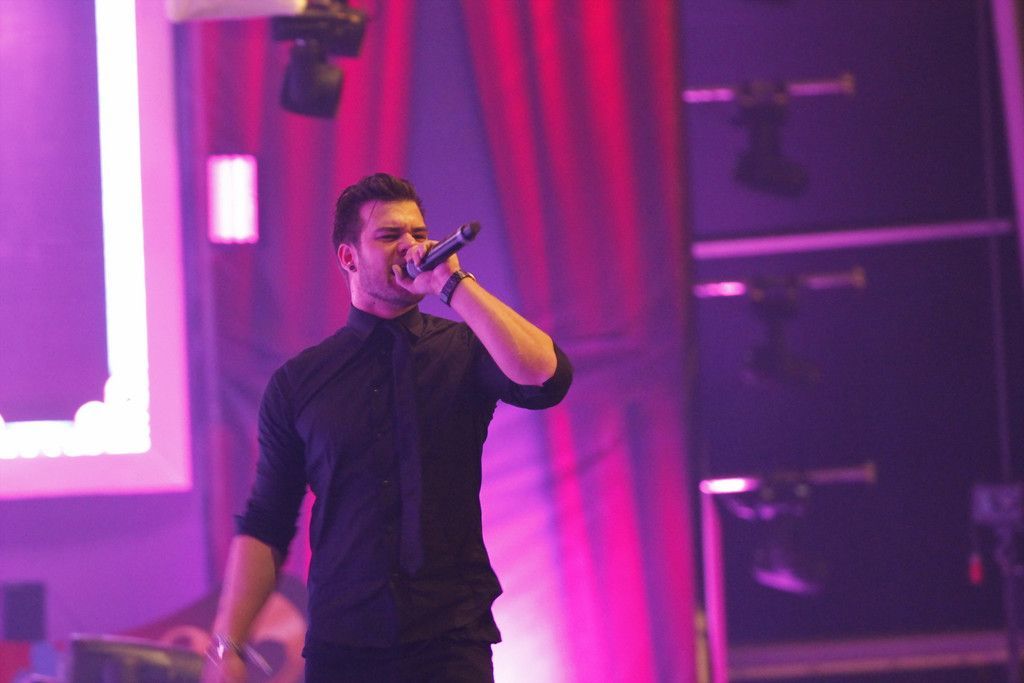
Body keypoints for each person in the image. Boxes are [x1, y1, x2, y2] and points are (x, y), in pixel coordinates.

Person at [204, 173, 573, 682]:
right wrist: (228, 645)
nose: (410, 246)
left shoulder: (462, 349)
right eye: (389, 235)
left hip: (451, 640)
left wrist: (453, 285)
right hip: (344, 646)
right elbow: (267, 521)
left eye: (418, 233)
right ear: (349, 257)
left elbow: (548, 380)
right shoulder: (299, 383)